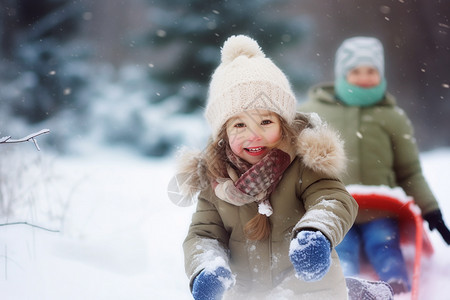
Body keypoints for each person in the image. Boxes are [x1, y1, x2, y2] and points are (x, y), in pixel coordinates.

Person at [169, 35, 393, 300]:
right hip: (248, 292)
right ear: (223, 134)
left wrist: (316, 232)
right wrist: (206, 268)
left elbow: (333, 200)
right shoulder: (214, 182)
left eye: (265, 122)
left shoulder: (304, 164)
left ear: (283, 124)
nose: (254, 135)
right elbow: (203, 234)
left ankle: (359, 293)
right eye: (239, 125)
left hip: (309, 289)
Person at [299, 36, 450, 295]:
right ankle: (343, 289)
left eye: (371, 71)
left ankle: (395, 286)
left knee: (383, 242)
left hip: (381, 208)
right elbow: (297, 164)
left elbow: (409, 170)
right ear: (342, 73)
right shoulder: (315, 112)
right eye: (356, 71)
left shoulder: (392, 117)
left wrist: (431, 211)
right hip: (335, 208)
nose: (364, 77)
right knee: (341, 247)